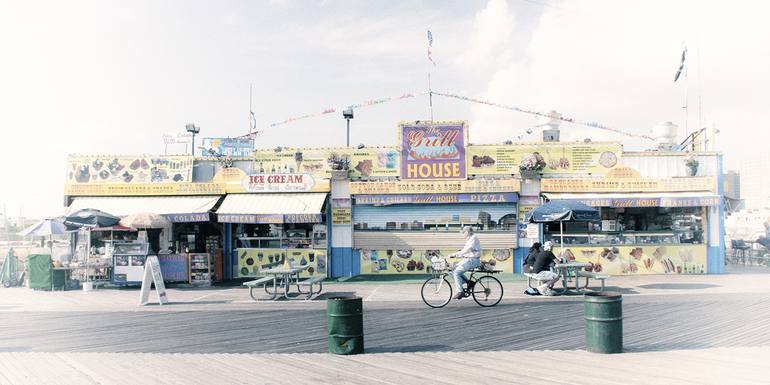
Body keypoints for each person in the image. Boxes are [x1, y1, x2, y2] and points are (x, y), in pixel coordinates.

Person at [450, 226, 482, 300]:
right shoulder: (469, 239)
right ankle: (469, 283)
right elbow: (465, 252)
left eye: (463, 233)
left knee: (456, 273)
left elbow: (467, 250)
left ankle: (460, 292)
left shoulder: (474, 238)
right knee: (453, 270)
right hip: (469, 260)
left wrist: (455, 254)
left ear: (467, 232)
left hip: (473, 260)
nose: (462, 235)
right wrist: (456, 255)